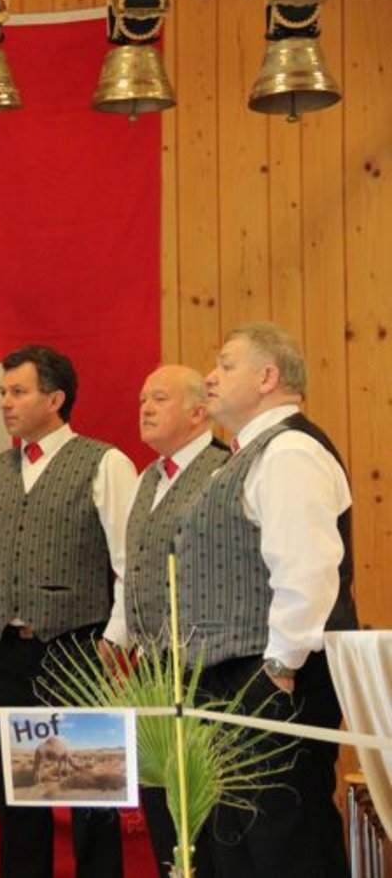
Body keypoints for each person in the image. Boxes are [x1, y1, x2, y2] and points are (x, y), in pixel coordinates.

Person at [174, 322, 358, 877]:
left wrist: (279, 667)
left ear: (268, 377)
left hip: (274, 676)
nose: (210, 376)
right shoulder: (248, 456)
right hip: (238, 675)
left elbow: (307, 569)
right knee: (244, 844)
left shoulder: (290, 451)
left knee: (284, 840)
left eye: (226, 365)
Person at [0, 344, 137, 878]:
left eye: (18, 391)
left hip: (76, 649)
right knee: (18, 801)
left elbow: (130, 561)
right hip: (4, 654)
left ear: (55, 399)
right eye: (3, 392)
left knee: (91, 795)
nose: (5, 402)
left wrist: (113, 639)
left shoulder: (105, 463)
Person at [100, 364, 227, 875]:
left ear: (199, 412)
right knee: (160, 803)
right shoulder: (146, 478)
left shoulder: (222, 471)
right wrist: (116, 634)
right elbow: (130, 567)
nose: (145, 409)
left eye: (159, 399)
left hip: (204, 666)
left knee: (206, 810)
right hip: (151, 667)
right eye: (141, 401)